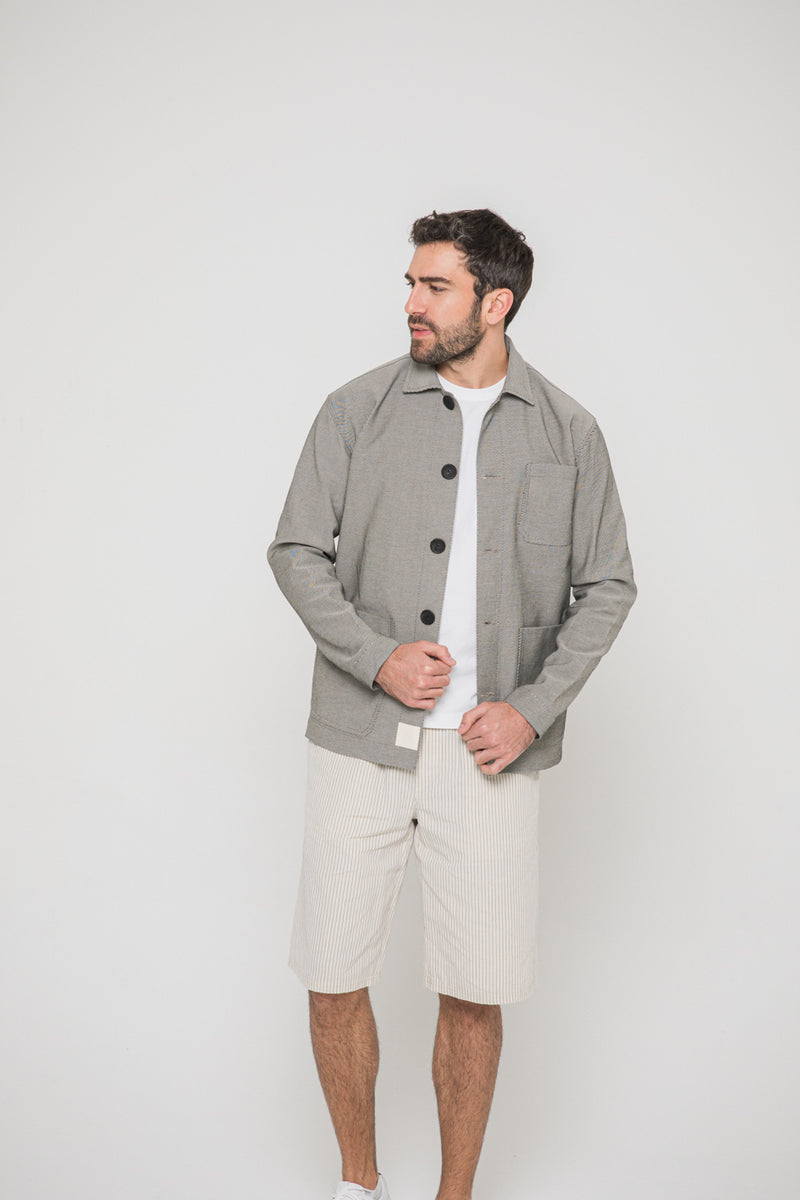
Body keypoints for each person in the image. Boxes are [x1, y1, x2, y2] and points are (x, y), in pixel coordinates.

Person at [267, 208, 636, 1200]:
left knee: (474, 988)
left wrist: (531, 709)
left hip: (489, 756)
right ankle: (357, 1183)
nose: (411, 303)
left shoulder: (568, 432)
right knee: (332, 972)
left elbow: (607, 586)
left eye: (434, 287)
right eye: (411, 283)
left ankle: (455, 1196)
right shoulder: (356, 409)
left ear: (495, 302)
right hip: (359, 741)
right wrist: (376, 658)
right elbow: (295, 550)